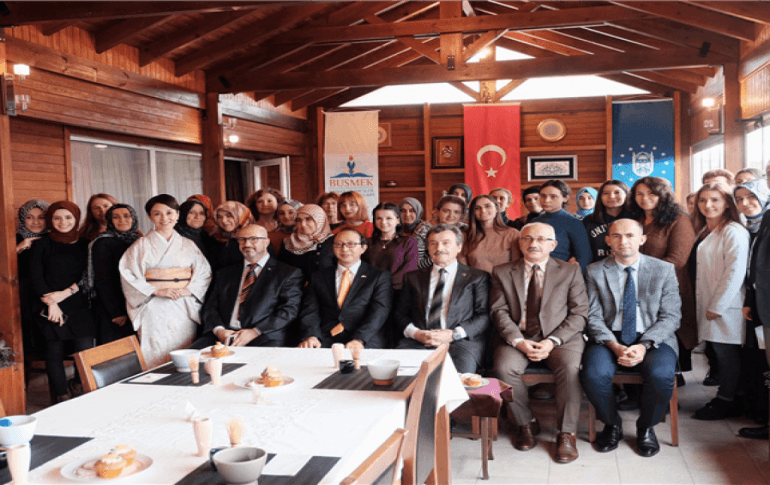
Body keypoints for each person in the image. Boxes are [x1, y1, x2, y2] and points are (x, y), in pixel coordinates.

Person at [581, 219, 680, 458]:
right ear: (608, 240)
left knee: (661, 375)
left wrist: (644, 345)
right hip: (608, 337)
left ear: (642, 239)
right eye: (616, 236)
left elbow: (671, 316)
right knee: (593, 375)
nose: (623, 241)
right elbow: (592, 316)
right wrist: (614, 345)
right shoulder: (595, 271)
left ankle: (646, 426)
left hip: (653, 337)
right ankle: (612, 423)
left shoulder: (663, 269)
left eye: (630, 235)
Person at [490, 223, 588, 463]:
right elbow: (498, 311)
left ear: (553, 245)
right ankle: (526, 423)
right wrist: (518, 341)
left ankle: (566, 433)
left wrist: (552, 341)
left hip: (561, 338)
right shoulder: (502, 271)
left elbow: (580, 313)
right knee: (503, 368)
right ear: (520, 242)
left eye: (542, 239)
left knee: (570, 368)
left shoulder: (570, 271)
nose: (534, 244)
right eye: (528, 238)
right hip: (519, 336)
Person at [119, 194, 212, 369]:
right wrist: (155, 290)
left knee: (185, 348)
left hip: (182, 304)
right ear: (149, 216)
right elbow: (128, 274)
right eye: (157, 213)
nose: (164, 218)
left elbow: (204, 273)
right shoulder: (141, 245)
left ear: (177, 214)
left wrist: (188, 290)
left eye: (169, 213)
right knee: (155, 348)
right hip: (153, 305)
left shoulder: (188, 244)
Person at [395, 224, 490, 373]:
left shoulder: (477, 277)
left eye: (446, 243)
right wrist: (417, 334)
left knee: (458, 380)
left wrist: (453, 334)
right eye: (433, 243)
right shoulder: (412, 277)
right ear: (428, 248)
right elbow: (400, 314)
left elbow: (484, 315)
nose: (439, 248)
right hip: (419, 341)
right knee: (403, 377)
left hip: (460, 342)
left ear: (459, 247)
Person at [691, 182, 749, 420]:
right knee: (719, 353)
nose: (708, 205)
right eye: (703, 200)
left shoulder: (733, 231)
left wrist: (717, 306)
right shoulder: (704, 230)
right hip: (710, 302)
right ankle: (729, 397)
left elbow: (735, 272)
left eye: (715, 199)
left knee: (727, 356)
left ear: (727, 203)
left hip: (726, 306)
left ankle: (727, 401)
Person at [194, 224, 303, 349]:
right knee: (187, 358)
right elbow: (211, 307)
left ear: (266, 242)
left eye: (253, 239)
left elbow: (289, 310)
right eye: (242, 239)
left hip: (264, 337)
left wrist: (255, 331)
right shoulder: (225, 273)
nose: (247, 244)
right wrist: (219, 330)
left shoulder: (288, 273)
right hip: (224, 336)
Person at [629, 177, 696, 377]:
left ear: (663, 195)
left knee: (669, 334)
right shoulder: (634, 219)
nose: (645, 198)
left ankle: (671, 379)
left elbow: (677, 259)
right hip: (634, 288)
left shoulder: (679, 219)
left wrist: (640, 276)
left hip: (669, 287)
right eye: (639, 194)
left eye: (651, 193)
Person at [29, 201, 95, 403]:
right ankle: (61, 396)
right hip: (49, 306)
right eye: (57, 217)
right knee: (54, 353)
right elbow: (36, 276)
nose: (62, 222)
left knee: (84, 351)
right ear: (50, 220)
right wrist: (52, 303)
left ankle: (78, 386)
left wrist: (64, 294)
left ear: (76, 218)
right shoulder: (41, 244)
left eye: (68, 217)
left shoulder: (86, 244)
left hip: (80, 305)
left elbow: (88, 275)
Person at [298, 228, 392, 349]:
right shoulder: (318, 276)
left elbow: (379, 312)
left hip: (365, 336)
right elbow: (310, 310)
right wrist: (312, 335)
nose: (344, 249)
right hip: (325, 336)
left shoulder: (379, 276)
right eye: (338, 244)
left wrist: (359, 339)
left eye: (351, 244)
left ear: (363, 248)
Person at [734, 178, 770, 429]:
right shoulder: (750, 226)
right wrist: (749, 300)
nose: (745, 203)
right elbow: (753, 269)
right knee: (760, 360)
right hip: (757, 302)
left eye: (751, 197)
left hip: (766, 302)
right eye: (739, 199)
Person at [86, 204, 142, 345]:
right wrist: (116, 312)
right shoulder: (103, 242)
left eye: (126, 216)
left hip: (135, 305)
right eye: (115, 217)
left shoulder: (139, 240)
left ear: (134, 218)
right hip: (114, 308)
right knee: (116, 351)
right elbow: (103, 280)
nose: (122, 220)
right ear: (110, 221)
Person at [532, 180, 592, 272]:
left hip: (561, 274)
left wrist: (572, 276)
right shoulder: (533, 222)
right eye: (543, 196)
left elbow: (584, 257)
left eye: (553, 196)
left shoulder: (574, 223)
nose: (547, 200)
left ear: (565, 198)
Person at [16, 200, 49, 361]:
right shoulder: (14, 238)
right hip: (23, 297)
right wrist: (19, 247)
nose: (35, 222)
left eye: (41, 217)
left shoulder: (54, 238)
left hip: (49, 294)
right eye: (29, 217)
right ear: (23, 219)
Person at [363, 202, 418, 291]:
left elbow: (409, 269)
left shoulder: (409, 242)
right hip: (372, 291)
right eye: (379, 218)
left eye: (389, 218)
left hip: (399, 291)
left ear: (398, 220)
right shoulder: (367, 243)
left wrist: (383, 284)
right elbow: (362, 269)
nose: (383, 222)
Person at [459, 195, 521, 273]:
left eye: (487, 206)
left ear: (497, 209)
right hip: (476, 280)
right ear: (473, 212)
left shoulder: (513, 234)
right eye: (477, 208)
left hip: (506, 280)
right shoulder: (465, 236)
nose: (483, 210)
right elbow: (464, 270)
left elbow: (517, 268)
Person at [277, 204, 336, 283]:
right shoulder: (288, 243)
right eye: (299, 220)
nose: (303, 224)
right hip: (293, 289)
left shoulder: (334, 242)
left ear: (320, 220)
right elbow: (281, 273)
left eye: (308, 219)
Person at [413, 195, 468, 269]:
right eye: (446, 211)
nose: (451, 215)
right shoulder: (424, 229)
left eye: (456, 212)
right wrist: (440, 256)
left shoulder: (464, 228)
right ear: (438, 212)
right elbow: (416, 263)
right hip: (429, 271)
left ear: (462, 215)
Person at [583, 180, 630, 263]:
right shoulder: (589, 220)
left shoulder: (635, 218)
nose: (611, 196)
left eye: (617, 192)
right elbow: (583, 249)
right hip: (596, 267)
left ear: (627, 195)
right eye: (606, 193)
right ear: (600, 197)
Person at [209, 201, 255, 273]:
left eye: (229, 216)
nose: (224, 220)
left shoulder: (255, 238)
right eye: (219, 217)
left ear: (241, 216)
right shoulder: (215, 238)